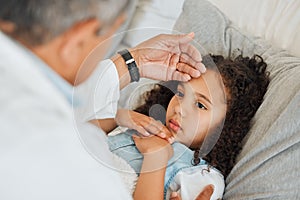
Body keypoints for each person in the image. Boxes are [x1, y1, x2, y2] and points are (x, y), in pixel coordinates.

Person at [0, 0, 209, 199]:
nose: (181, 109)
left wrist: (133, 61)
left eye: (201, 104)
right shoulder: (59, 155)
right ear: (80, 38)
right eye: (109, 35)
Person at [107, 54, 270, 199]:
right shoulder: (144, 125)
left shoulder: (203, 177)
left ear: (226, 128)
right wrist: (119, 116)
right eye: (180, 93)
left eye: (200, 105)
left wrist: (156, 157)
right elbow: (84, 137)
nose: (179, 108)